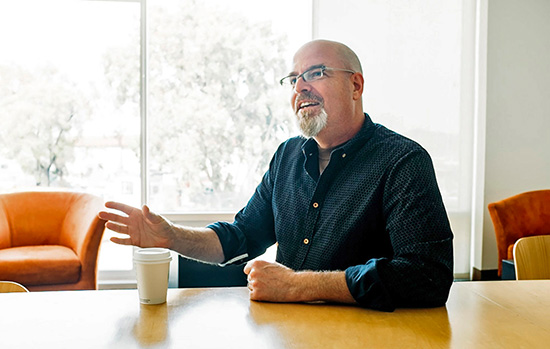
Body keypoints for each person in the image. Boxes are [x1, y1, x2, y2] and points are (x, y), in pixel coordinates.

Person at [99, 39, 454, 312]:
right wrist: (170, 237)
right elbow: (241, 237)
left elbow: (427, 277)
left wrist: (298, 286)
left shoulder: (403, 160)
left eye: (316, 73)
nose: (300, 87)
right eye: (294, 79)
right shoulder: (287, 156)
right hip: (290, 331)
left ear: (356, 86)